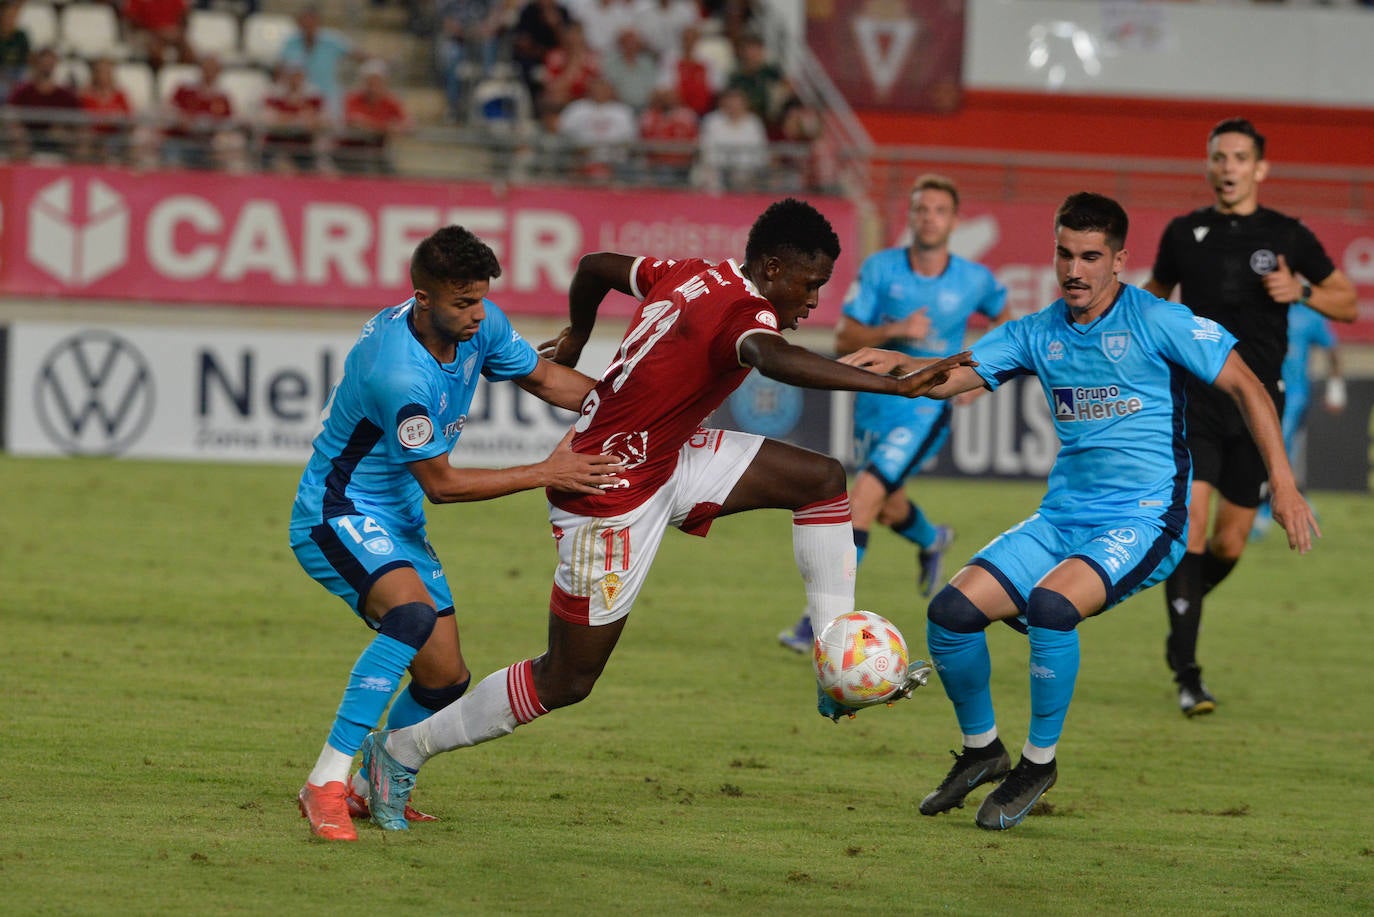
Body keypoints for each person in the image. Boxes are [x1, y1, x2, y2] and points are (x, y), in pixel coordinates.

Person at [355, 198, 973, 832]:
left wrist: (576, 334)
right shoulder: (746, 312)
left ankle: (833, 659)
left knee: (821, 481)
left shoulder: (690, 270)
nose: (813, 302)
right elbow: (768, 356)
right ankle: (398, 753)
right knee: (565, 679)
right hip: (610, 490)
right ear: (772, 266)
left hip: (665, 456)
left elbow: (594, 266)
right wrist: (896, 384)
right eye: (810, 284)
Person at [844, 191, 1316, 831]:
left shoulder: (1159, 320)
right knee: (950, 614)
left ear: (1119, 260)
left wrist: (1281, 483)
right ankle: (983, 751)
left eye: (1091, 256)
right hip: (1064, 516)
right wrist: (898, 369)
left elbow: (1247, 385)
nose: (1075, 269)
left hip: (1147, 518)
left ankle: (1038, 763)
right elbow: (956, 375)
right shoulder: (1039, 332)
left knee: (1050, 607)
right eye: (1065, 253)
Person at [291, 225, 626, 841]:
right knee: (412, 618)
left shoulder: (482, 322)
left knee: (444, 679)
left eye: (480, 299)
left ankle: (367, 789)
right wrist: (548, 471)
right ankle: (325, 782)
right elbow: (443, 485)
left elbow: (550, 381)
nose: (477, 315)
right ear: (423, 298)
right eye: (462, 303)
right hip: (337, 512)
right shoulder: (399, 374)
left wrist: (640, 411)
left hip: (396, 519)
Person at [1142, 117, 1356, 716]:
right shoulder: (1184, 233)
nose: (1227, 167)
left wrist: (1304, 293)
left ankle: (1183, 613)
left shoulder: (1288, 234)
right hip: (1198, 400)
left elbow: (1348, 301)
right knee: (1193, 526)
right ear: (1208, 166)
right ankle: (1189, 672)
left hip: (1260, 404)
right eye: (1218, 157)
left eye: (1239, 158)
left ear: (1260, 168)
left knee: (1230, 543)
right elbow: (1152, 296)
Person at [777, 174, 1006, 654]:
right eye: (921, 209)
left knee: (859, 502)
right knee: (885, 507)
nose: (929, 218)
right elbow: (844, 339)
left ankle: (819, 624)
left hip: (925, 407)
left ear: (954, 221)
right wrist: (898, 328)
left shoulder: (975, 279)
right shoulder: (881, 269)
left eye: (939, 211)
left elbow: (1006, 322)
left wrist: (980, 379)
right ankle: (932, 538)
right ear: (911, 216)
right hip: (874, 402)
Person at [1251, 305, 1345, 540]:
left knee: (1276, 447)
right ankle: (1301, 501)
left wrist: (1336, 388)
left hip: (1293, 395)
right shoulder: (1255, 306)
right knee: (1280, 449)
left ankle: (1264, 513)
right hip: (1260, 389)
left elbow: (1332, 347)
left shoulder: (1307, 314)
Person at [3, 47, 81, 160]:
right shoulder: (23, 92)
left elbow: (79, 120)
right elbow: (9, 114)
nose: (46, 67)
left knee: (80, 141)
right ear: (36, 64)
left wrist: (63, 129)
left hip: (59, 139)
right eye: (43, 63)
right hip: (27, 138)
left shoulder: (65, 94)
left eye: (50, 63)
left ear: (55, 64)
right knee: (17, 138)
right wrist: (18, 128)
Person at [338, 58, 412, 174]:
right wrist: (386, 128)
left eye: (377, 81)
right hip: (350, 152)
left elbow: (407, 123)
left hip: (377, 152)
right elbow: (354, 122)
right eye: (369, 82)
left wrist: (376, 126)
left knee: (392, 176)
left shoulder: (390, 101)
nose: (373, 86)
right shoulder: (352, 99)